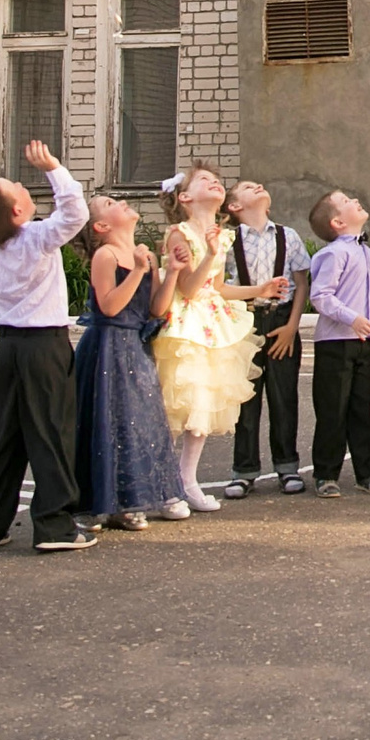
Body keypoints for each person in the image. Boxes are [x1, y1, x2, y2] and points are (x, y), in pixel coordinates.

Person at [0, 142, 98, 554]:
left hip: (9, 348)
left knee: (3, 438)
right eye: (15, 186)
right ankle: (54, 525)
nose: (21, 183)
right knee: (52, 432)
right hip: (42, 346)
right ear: (17, 213)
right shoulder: (35, 239)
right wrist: (53, 168)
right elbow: (75, 213)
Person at [155, 166, 283, 514]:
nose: (214, 182)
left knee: (203, 406)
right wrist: (210, 253)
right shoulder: (179, 233)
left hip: (213, 321)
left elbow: (219, 288)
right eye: (203, 180)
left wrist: (260, 289)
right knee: (176, 407)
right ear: (185, 198)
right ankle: (164, 486)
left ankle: (188, 480)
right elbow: (189, 288)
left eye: (217, 180)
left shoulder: (221, 235)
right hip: (186, 325)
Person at [71, 196, 186, 531]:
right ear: (101, 226)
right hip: (107, 347)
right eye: (109, 202)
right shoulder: (105, 255)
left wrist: (173, 273)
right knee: (105, 422)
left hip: (135, 347)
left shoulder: (145, 253)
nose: (120, 201)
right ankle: (95, 504)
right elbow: (108, 306)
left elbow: (155, 309)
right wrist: (136, 270)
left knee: (135, 424)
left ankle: (128, 500)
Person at [222, 180, 312, 498]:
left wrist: (292, 326)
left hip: (281, 320)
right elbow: (219, 284)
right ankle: (244, 470)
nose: (258, 186)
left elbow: (301, 283)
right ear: (234, 206)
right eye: (248, 187)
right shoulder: (228, 240)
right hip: (244, 321)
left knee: (283, 396)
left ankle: (287, 466)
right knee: (246, 398)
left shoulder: (288, 236)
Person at [305, 189, 370, 497]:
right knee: (332, 410)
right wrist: (352, 318)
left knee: (360, 409)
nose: (355, 199)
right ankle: (326, 473)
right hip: (336, 343)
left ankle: (367, 472)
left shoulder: (366, 252)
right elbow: (321, 297)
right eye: (345, 201)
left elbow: (368, 297)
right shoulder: (333, 253)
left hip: (362, 342)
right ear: (338, 222)